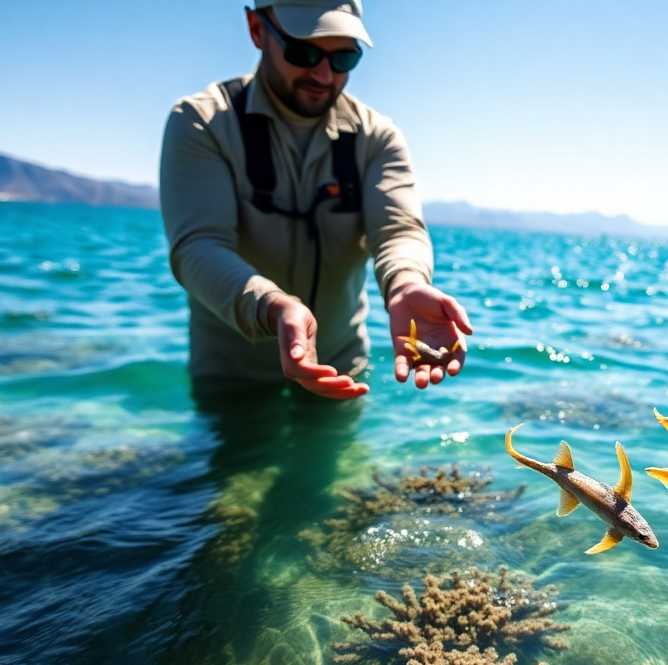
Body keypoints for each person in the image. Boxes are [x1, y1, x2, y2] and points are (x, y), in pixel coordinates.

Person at [160, 0, 472, 400]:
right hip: (232, 374)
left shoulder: (378, 137)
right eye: (303, 51)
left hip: (342, 369)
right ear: (257, 29)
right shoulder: (202, 122)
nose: (324, 74)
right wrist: (273, 306)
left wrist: (404, 284)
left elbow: (398, 230)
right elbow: (197, 246)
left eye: (344, 57)